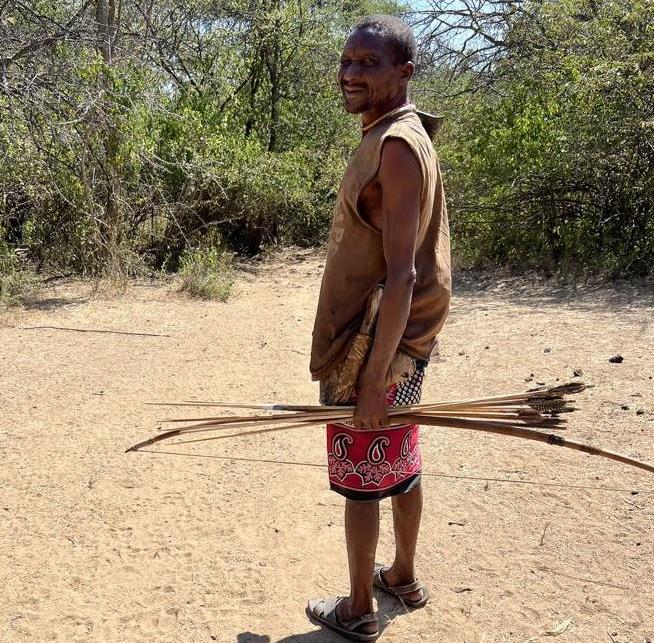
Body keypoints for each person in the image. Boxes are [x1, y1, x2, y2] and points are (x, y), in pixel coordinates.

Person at [306, 14, 452, 641]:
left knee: (363, 475)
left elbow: (402, 275)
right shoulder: (397, 133)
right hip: (400, 342)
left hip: (375, 343)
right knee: (402, 457)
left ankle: (360, 606)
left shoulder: (396, 146)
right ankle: (405, 576)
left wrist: (370, 379)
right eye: (347, 61)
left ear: (404, 73)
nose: (350, 72)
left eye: (368, 63)